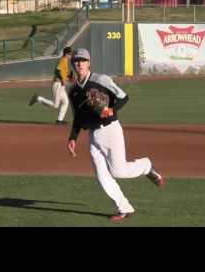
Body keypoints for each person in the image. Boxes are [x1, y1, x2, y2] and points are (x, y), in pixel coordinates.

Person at [66, 48, 164, 222]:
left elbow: (123, 97)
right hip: (92, 136)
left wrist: (111, 109)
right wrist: (73, 138)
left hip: (110, 130)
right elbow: (78, 118)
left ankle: (146, 166)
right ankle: (124, 208)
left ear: (89, 63)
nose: (79, 63)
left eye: (83, 60)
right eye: (76, 60)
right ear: (73, 64)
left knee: (118, 171)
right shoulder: (73, 91)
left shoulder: (101, 80)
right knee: (102, 177)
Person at [29, 46, 74, 125]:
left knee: (65, 102)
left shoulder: (65, 61)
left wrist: (68, 77)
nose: (71, 56)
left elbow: (62, 74)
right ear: (66, 54)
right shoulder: (63, 60)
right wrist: (63, 79)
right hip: (58, 85)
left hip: (61, 85)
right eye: (70, 54)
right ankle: (38, 98)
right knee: (56, 105)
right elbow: (57, 71)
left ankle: (59, 120)